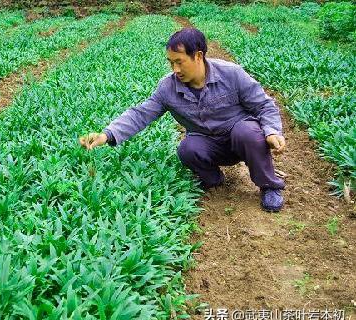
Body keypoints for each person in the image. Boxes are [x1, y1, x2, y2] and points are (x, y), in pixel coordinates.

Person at [79, 28, 286, 212]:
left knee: (247, 132)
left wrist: (272, 131)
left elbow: (263, 105)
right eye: (171, 63)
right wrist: (107, 134)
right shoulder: (167, 87)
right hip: (209, 144)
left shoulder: (231, 74)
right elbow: (140, 114)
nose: (175, 69)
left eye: (179, 62)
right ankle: (214, 180)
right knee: (187, 148)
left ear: (198, 56)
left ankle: (269, 186)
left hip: (240, 138)